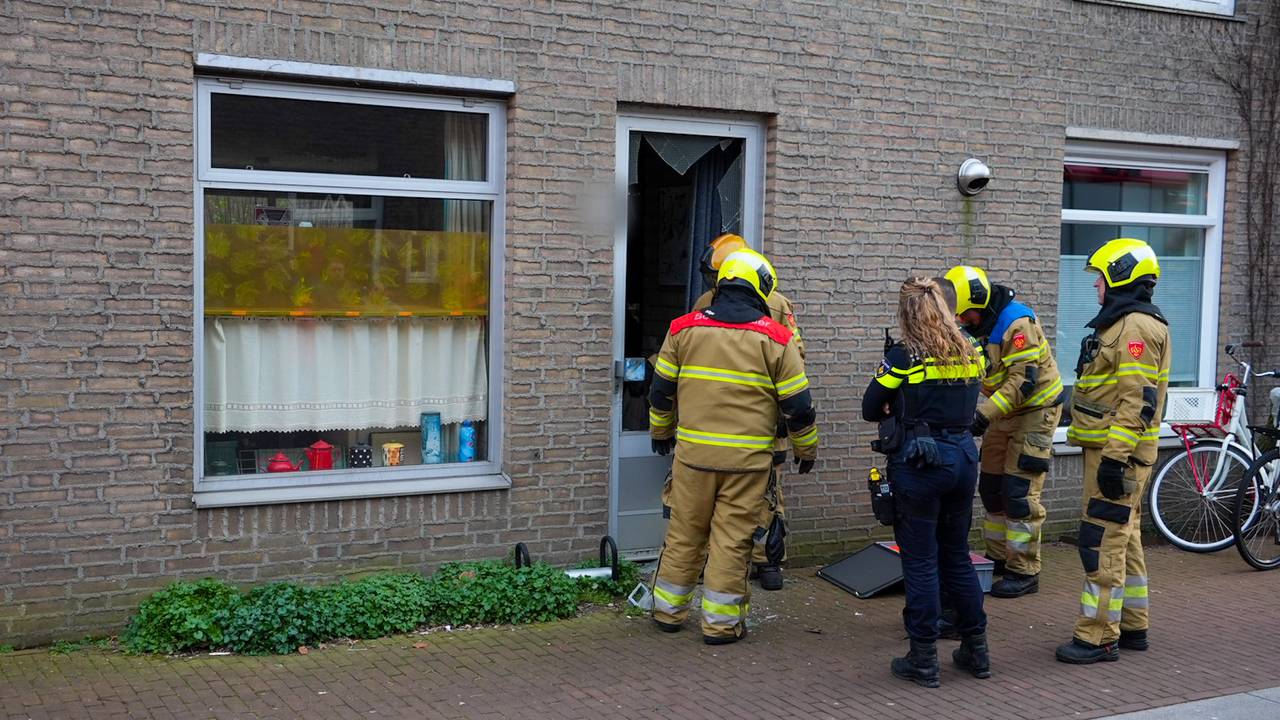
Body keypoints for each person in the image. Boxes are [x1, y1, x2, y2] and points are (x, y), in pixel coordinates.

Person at [648, 249, 818, 645]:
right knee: (731, 542)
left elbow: (661, 392)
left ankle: (667, 613)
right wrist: (805, 451)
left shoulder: (682, 329)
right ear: (761, 289)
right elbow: (799, 407)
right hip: (747, 465)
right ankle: (721, 626)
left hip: (693, 459)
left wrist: (661, 433)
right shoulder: (776, 338)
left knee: (684, 534)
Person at [862, 277, 989, 688]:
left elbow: (870, 407)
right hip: (963, 458)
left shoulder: (904, 355)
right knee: (957, 557)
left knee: (920, 562)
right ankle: (977, 650)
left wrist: (895, 403)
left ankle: (923, 659)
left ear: (908, 313)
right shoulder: (971, 350)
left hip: (920, 463)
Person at [1056, 238, 1169, 664]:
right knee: (1125, 537)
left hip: (1116, 454)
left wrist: (1115, 459)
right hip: (1112, 450)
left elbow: (1137, 401)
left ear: (1121, 277)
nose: (1095, 285)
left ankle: (1098, 636)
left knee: (1101, 541)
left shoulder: (1135, 327)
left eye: (1100, 277)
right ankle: (1133, 625)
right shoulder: (1125, 323)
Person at [692, 233, 805, 591]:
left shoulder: (776, 304)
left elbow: (795, 358)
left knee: (769, 494)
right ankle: (714, 559)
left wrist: (784, 414)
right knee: (714, 497)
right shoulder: (705, 303)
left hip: (763, 420)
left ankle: (765, 560)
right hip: (717, 418)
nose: (717, 284)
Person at [943, 265, 1064, 599]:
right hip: (1002, 409)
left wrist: (981, 416)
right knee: (992, 487)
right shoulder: (973, 325)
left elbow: (1022, 382)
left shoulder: (1016, 323)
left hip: (1035, 411)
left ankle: (1024, 571)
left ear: (977, 304)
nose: (960, 320)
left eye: (962, 313)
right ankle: (998, 558)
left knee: (1018, 491)